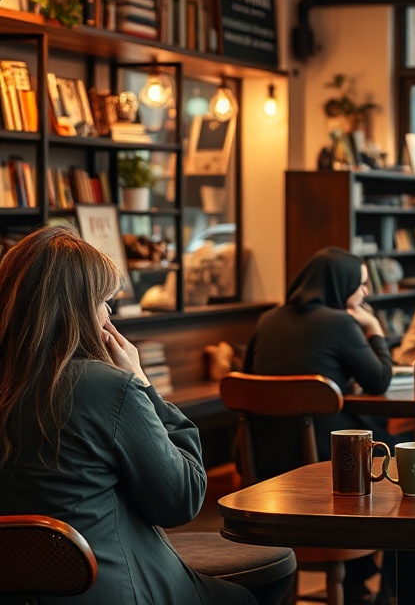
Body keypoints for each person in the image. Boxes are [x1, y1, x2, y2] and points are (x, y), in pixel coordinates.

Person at [0, 226, 286, 605]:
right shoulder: (105, 388)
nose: (109, 313)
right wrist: (143, 384)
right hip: (112, 589)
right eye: (104, 301)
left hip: (19, 592)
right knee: (258, 588)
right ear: (77, 310)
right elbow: (181, 499)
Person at [244, 247, 394, 605]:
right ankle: (386, 588)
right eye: (361, 284)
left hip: (266, 459)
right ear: (341, 285)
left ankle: (356, 579)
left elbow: (249, 378)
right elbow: (379, 380)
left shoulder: (267, 320)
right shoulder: (340, 322)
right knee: (402, 459)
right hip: (329, 462)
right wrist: (375, 330)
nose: (366, 293)